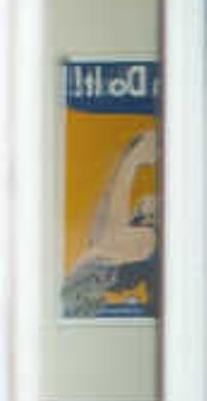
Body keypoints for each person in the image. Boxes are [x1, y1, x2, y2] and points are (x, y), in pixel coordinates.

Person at [61, 124, 158, 318]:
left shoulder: (150, 240)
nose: (147, 199)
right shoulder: (127, 245)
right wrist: (129, 158)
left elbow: (108, 237)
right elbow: (100, 232)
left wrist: (131, 160)